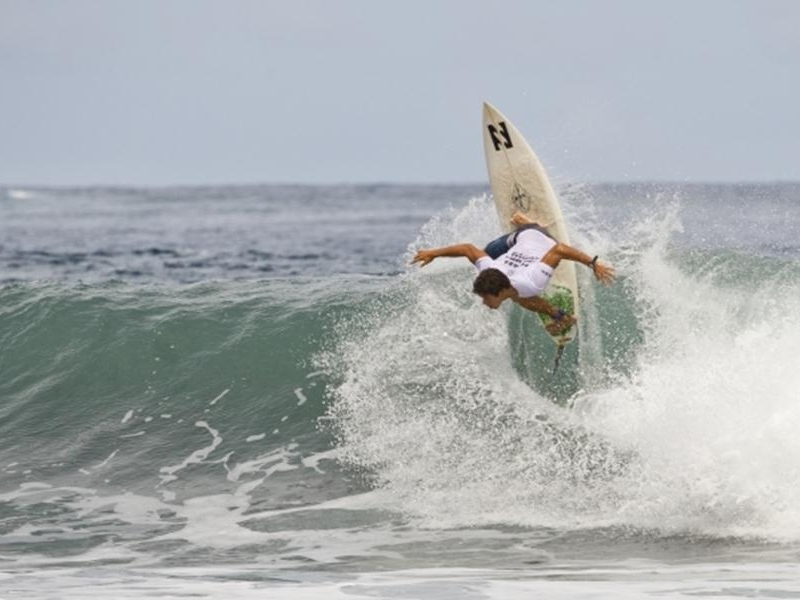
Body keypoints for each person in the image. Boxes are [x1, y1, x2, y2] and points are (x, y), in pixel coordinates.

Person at [411, 212, 615, 335]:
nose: (484, 302)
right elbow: (467, 249)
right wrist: (433, 254)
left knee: (498, 254)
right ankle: (560, 316)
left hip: (533, 236)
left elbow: (560, 249)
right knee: (515, 291)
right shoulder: (491, 271)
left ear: (500, 291)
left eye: (486, 297)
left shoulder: (532, 282)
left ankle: (526, 220)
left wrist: (594, 264)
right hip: (518, 251)